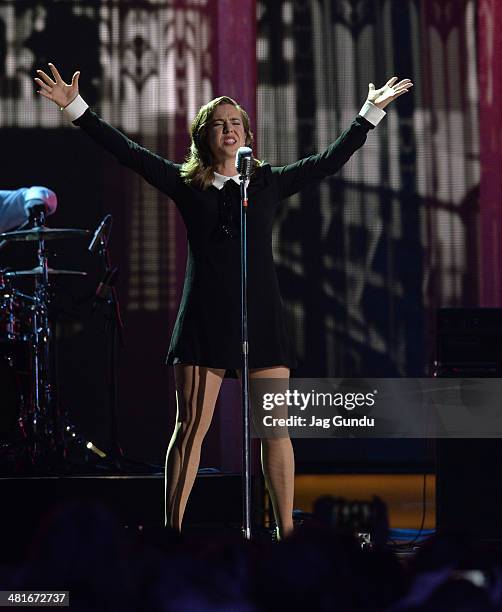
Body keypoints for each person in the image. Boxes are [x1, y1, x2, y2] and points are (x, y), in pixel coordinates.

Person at [35, 63, 412, 539]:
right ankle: (172, 532)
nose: (230, 129)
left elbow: (326, 161)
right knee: (191, 427)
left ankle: (284, 535)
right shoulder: (186, 184)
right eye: (219, 123)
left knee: (275, 429)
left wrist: (368, 114)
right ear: (202, 138)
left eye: (237, 123)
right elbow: (127, 153)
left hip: (262, 318)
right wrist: (76, 108)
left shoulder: (268, 183)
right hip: (205, 319)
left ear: (248, 135)